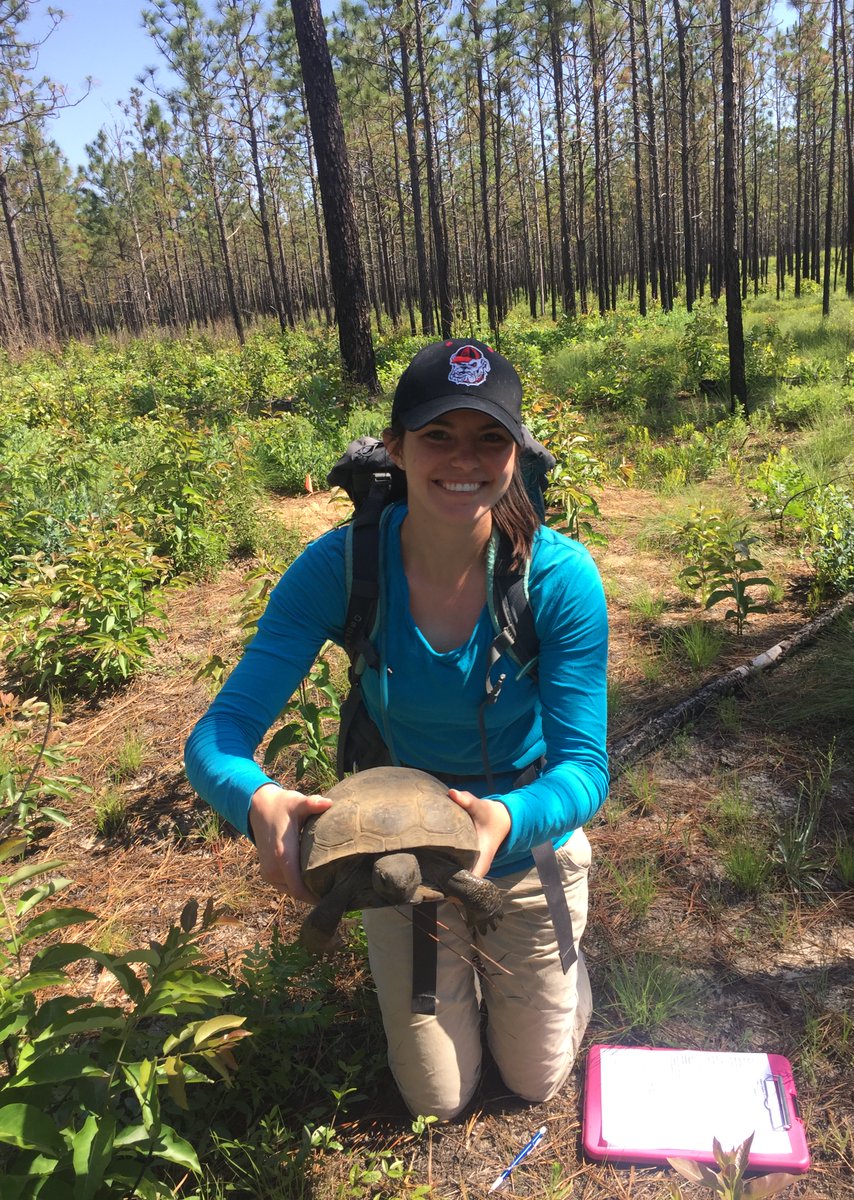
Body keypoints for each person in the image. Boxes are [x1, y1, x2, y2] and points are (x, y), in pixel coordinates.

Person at [185, 338, 609, 1121]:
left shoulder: (558, 579)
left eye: (489, 437)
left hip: (526, 842)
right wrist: (256, 801)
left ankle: (558, 962)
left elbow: (584, 768)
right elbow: (217, 736)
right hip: (401, 859)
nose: (464, 459)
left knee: (534, 1081)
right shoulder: (342, 569)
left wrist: (506, 819)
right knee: (438, 1101)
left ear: (517, 451)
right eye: (437, 436)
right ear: (396, 447)